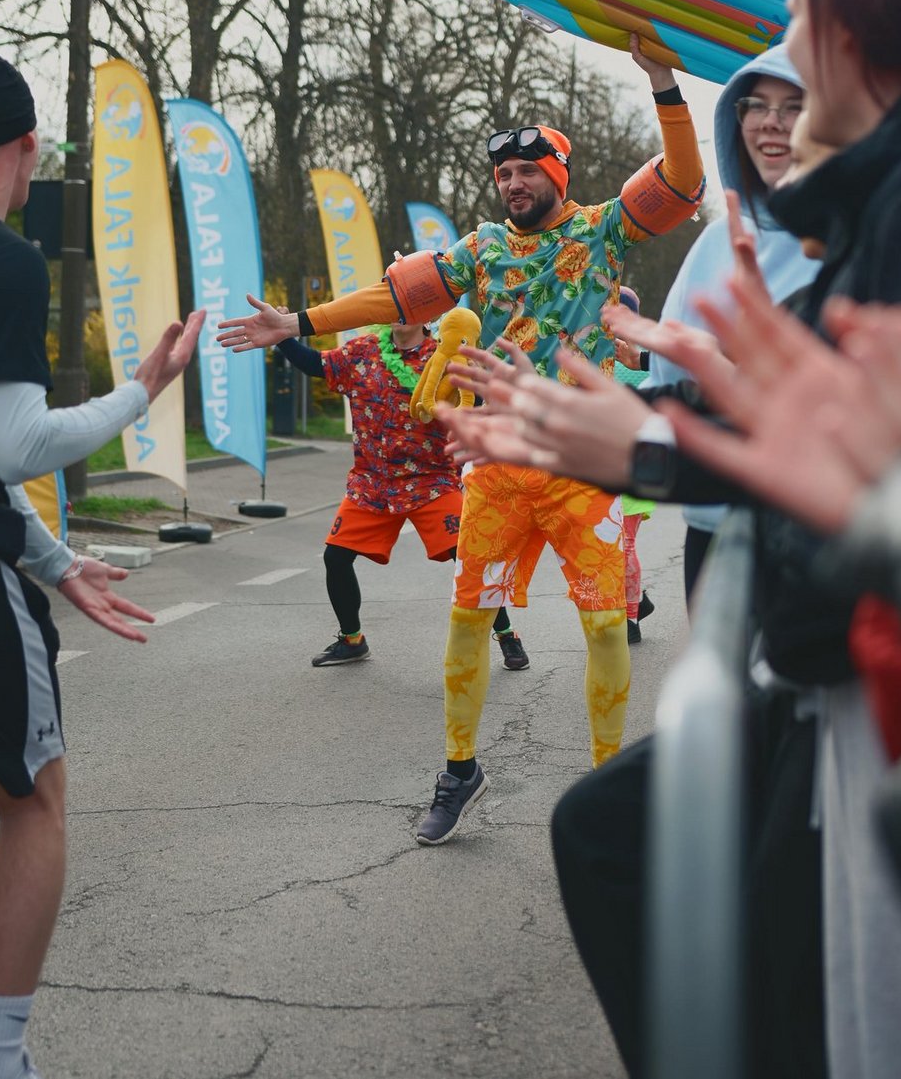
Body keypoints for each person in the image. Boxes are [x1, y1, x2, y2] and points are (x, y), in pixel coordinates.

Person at [439, 0, 901, 1078]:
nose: (774, 79)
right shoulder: (874, 203)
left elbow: (870, 459)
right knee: (615, 842)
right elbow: (808, 421)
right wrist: (646, 428)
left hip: (873, 694)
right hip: (829, 666)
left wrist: (653, 447)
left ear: (851, 40)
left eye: (794, 38)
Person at [218, 77, 704, 843]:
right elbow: (394, 298)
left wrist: (664, 86)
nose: (513, 182)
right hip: (497, 467)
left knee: (607, 630)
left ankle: (610, 784)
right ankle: (459, 768)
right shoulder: (478, 249)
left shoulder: (605, 230)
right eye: (504, 173)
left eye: (528, 170)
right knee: (468, 620)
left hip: (584, 465)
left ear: (557, 174)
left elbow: (681, 180)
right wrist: (299, 322)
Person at [0, 50, 204, 1079]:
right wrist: (143, 389)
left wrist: (52, 557)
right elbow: (16, 445)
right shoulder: (5, 258)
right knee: (32, 802)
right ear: (26, 149)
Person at [610, 38, 821, 605]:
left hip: (813, 528)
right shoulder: (718, 240)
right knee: (715, 684)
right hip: (714, 520)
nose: (771, 123)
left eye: (792, 106)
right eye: (756, 105)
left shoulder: (855, 235)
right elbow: (680, 366)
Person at [274, 320, 528, 669]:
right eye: (393, 301)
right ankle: (352, 639)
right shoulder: (362, 351)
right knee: (335, 557)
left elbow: (476, 400)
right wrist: (282, 338)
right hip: (372, 483)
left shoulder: (444, 355)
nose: (399, 311)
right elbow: (317, 365)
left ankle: (507, 635)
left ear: (425, 313)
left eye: (408, 302)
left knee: (468, 556)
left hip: (431, 479)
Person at [612, 285, 657, 644]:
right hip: (597, 469)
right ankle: (637, 600)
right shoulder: (587, 360)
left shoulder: (644, 365)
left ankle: (630, 619)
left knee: (624, 544)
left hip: (634, 469)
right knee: (608, 546)